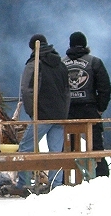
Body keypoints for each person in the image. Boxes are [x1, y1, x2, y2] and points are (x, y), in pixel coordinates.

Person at [7, 34, 70, 197]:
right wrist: (64, 111)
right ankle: (56, 186)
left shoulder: (34, 64)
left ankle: (24, 184)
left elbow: (27, 90)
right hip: (59, 114)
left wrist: (32, 112)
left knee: (26, 148)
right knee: (56, 152)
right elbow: (67, 91)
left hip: (42, 114)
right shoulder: (61, 65)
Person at [62, 31, 111, 177]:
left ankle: (63, 181)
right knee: (96, 147)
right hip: (90, 109)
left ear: (70, 44)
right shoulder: (95, 62)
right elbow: (105, 88)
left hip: (68, 111)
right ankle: (102, 179)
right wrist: (100, 108)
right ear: (85, 44)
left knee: (66, 148)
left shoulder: (61, 63)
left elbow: (56, 89)